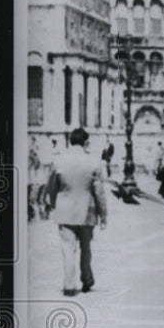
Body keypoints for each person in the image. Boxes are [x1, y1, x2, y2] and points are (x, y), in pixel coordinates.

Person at [45, 126, 107, 296]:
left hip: (64, 211)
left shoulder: (58, 161)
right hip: (87, 210)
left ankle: (69, 285)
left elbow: (51, 187)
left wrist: (52, 204)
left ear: (70, 141)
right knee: (86, 247)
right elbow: (99, 192)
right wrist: (104, 215)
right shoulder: (94, 162)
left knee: (68, 248)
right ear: (86, 142)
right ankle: (87, 279)